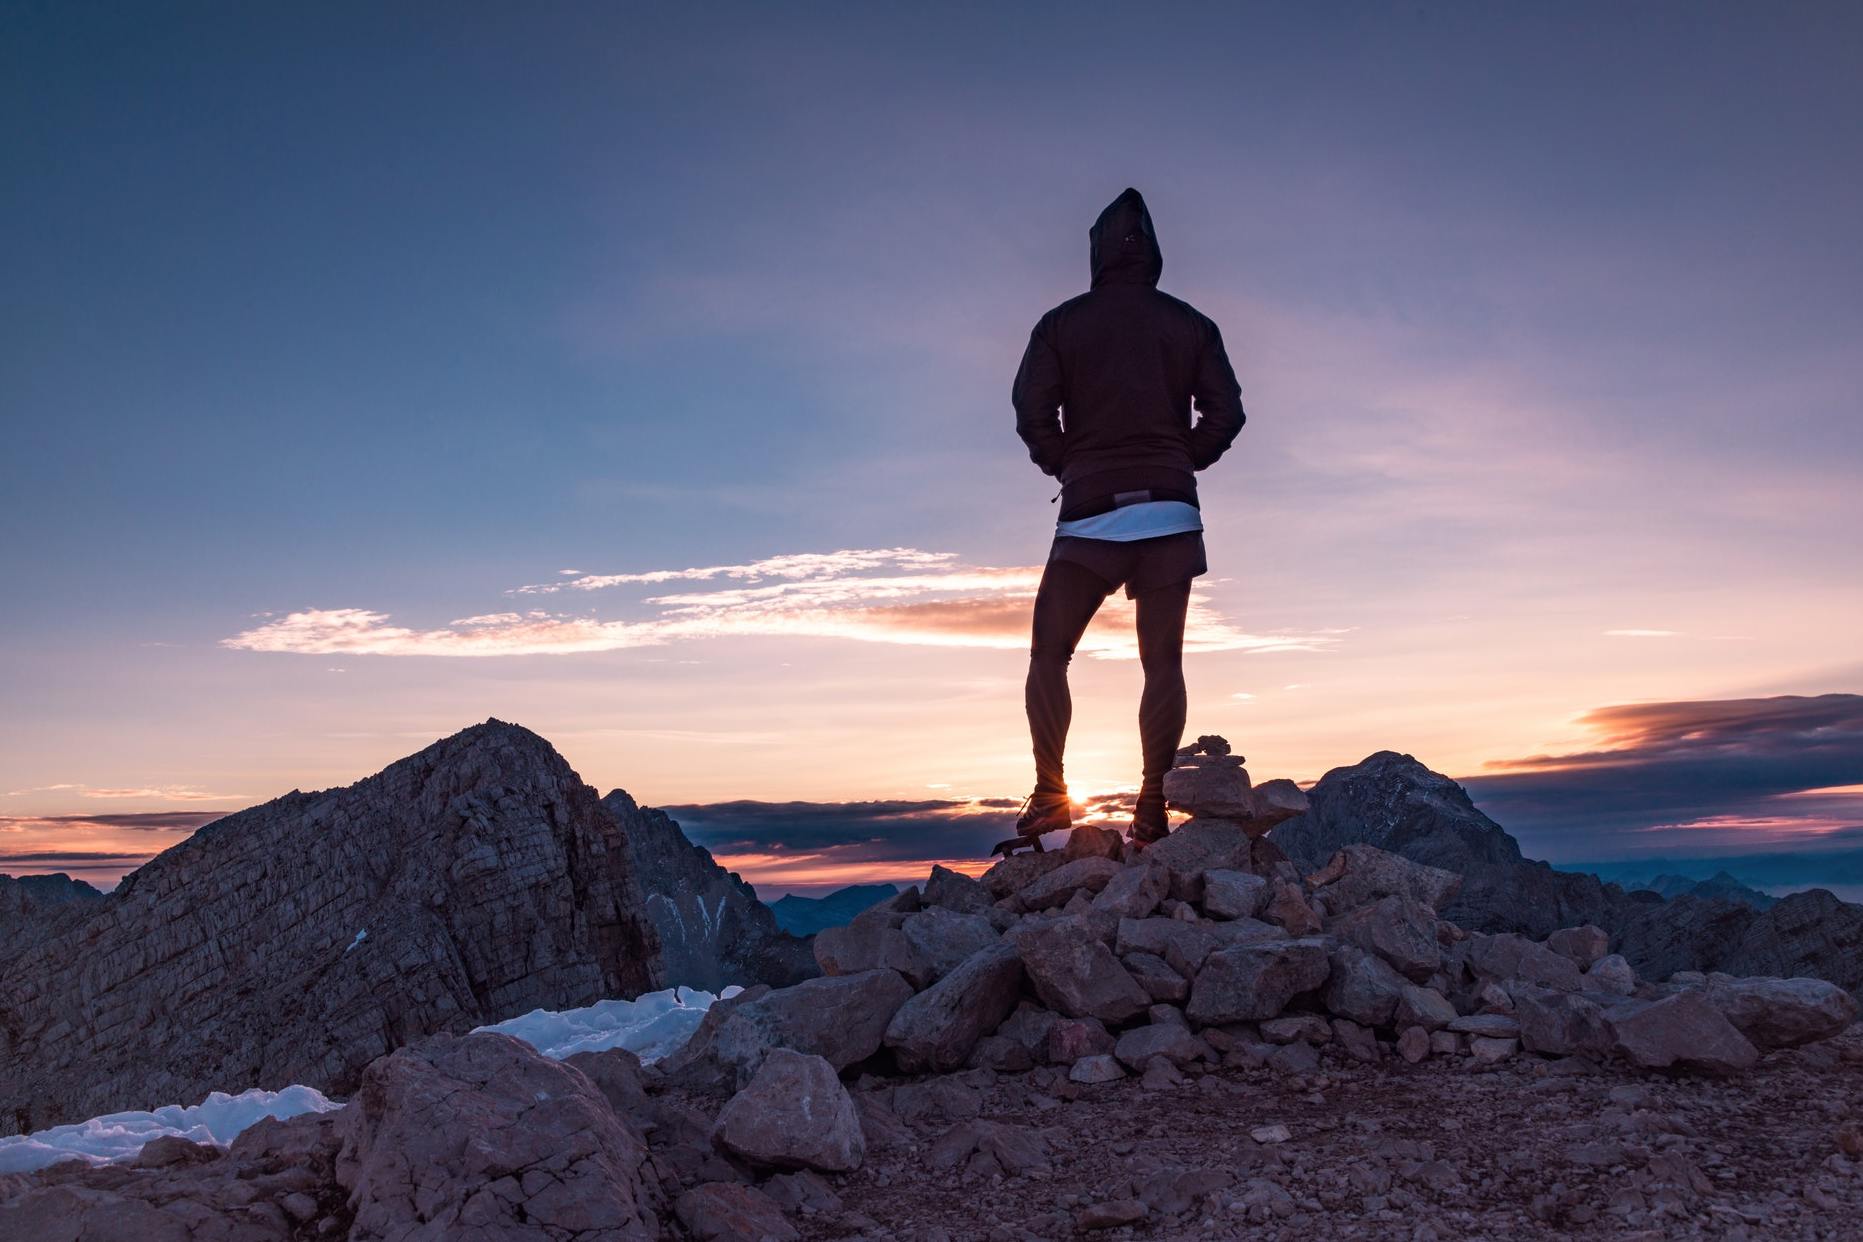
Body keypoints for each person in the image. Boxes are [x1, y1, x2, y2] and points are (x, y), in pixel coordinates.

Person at [1010, 187, 1246, 847]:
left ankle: (1051, 796)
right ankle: (1150, 807)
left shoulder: (1059, 324)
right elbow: (1225, 414)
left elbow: (1032, 412)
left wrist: (1069, 466)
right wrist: (1179, 461)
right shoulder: (1191, 323)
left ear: (1095, 252)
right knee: (1161, 662)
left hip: (1088, 512)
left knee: (1048, 654)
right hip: (1169, 508)